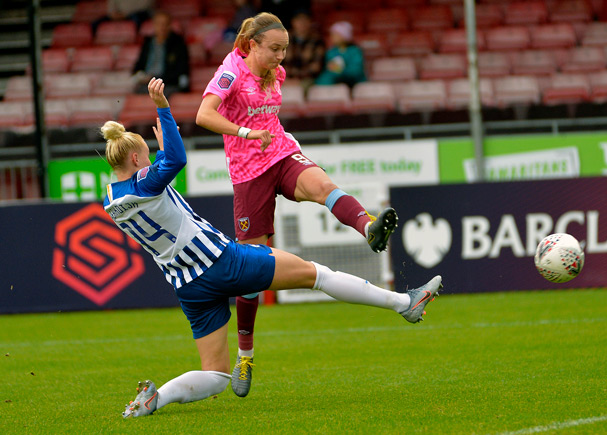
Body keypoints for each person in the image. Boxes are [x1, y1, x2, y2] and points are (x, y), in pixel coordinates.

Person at [105, 78, 441, 418]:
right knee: (317, 275)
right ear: (135, 158)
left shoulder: (112, 200)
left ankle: (154, 398)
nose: (151, 162)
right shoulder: (146, 183)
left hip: (187, 285)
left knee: (216, 375)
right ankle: (404, 303)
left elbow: (157, 182)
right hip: (221, 261)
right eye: (145, 157)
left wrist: (160, 153)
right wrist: (162, 107)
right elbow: (175, 162)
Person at [195, 12, 398, 399]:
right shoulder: (230, 72)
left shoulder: (277, 74)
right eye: (274, 49)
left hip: (281, 154)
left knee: (322, 184)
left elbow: (270, 117)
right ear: (252, 44)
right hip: (248, 175)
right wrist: (244, 131)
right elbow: (204, 114)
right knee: (252, 270)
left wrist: (273, 137)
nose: (281, 58)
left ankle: (368, 227)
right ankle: (246, 354)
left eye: (285, 50)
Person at [132, 11, 190, 95]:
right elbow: (139, 66)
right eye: (159, 24)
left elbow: (180, 71)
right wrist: (139, 75)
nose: (162, 27)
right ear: (154, 25)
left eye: (165, 24)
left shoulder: (178, 44)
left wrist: (154, 78)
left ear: (170, 25)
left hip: (167, 85)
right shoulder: (148, 43)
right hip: (146, 85)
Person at [315, 21, 366, 87]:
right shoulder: (331, 52)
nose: (332, 37)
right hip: (335, 84)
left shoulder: (355, 51)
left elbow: (356, 71)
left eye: (335, 34)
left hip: (355, 84)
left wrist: (340, 70)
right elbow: (328, 71)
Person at [284, 9, 326, 89]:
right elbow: (278, 63)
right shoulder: (284, 40)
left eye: (305, 20)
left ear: (310, 22)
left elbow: (316, 67)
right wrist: (288, 78)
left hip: (307, 79)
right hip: (286, 78)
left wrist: (298, 78)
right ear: (293, 22)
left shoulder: (317, 41)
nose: (302, 23)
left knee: (304, 86)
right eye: (299, 20)